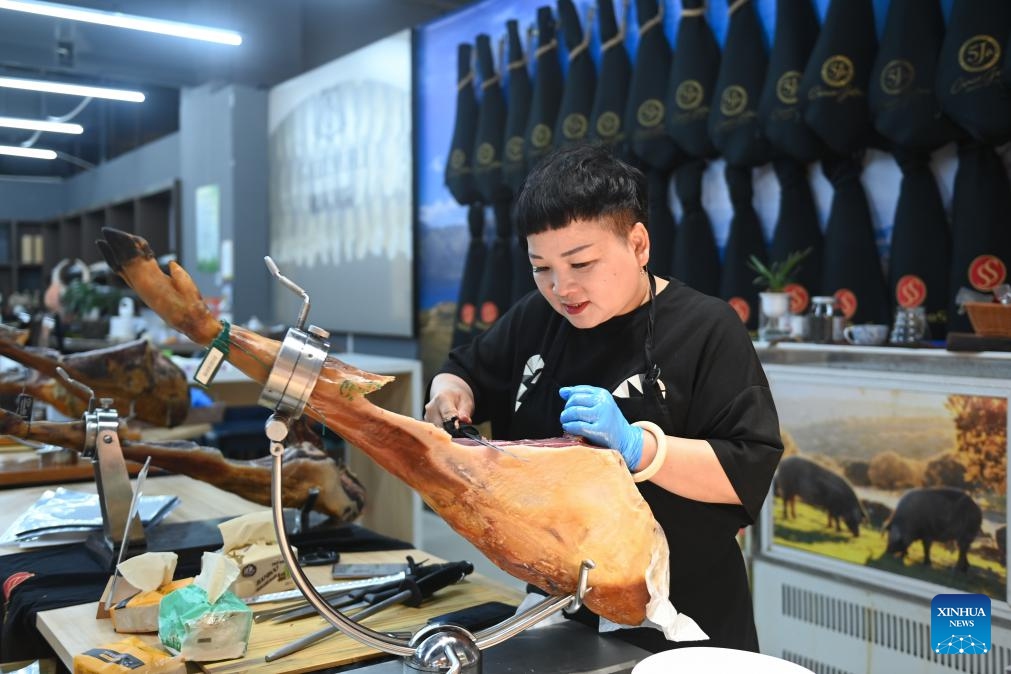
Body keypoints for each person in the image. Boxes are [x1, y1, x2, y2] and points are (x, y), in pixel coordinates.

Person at [424, 142, 783, 653]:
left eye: (582, 263)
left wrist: (639, 447)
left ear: (638, 244)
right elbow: (464, 370)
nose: (561, 287)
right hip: (561, 608)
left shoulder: (707, 328)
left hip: (684, 619)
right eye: (541, 267)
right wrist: (449, 395)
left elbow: (747, 468)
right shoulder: (537, 318)